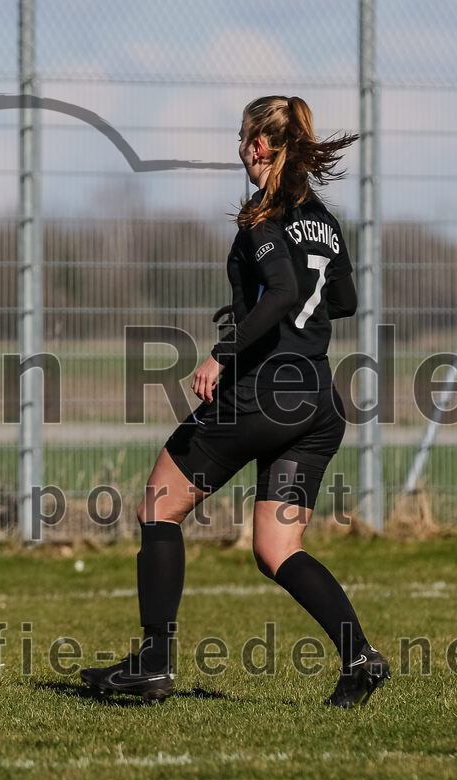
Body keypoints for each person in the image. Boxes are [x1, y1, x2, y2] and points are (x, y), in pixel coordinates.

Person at [81, 96, 390, 707]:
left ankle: (154, 663)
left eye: (243, 137)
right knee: (278, 549)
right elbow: (345, 298)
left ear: (260, 145)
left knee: (157, 511)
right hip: (317, 403)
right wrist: (275, 314)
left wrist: (224, 351)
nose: (241, 149)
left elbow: (280, 292)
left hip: (262, 394)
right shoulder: (323, 220)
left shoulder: (262, 218)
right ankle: (359, 659)